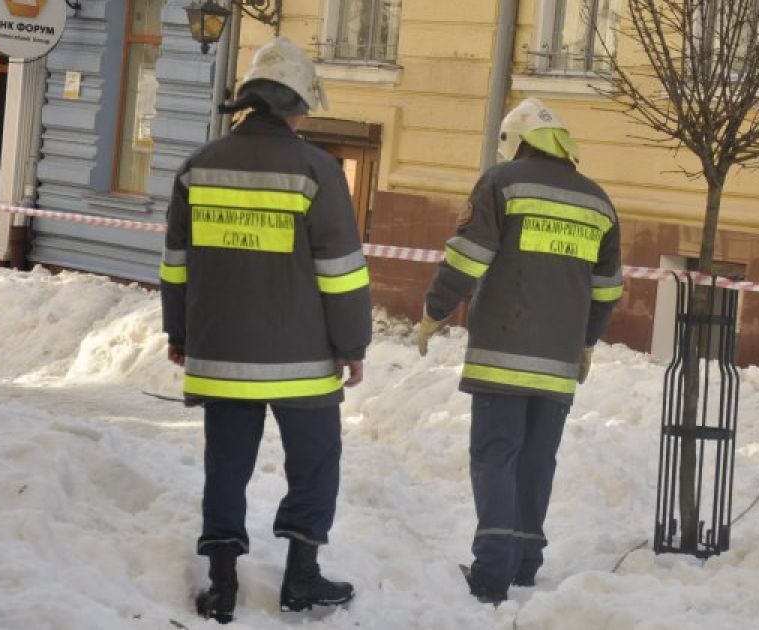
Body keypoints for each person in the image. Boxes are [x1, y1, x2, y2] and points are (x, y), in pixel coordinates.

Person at [159, 37, 371, 624]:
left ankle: (222, 582)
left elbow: (177, 263)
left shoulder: (197, 167)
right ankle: (301, 577)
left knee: (225, 465)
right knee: (315, 462)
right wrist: (351, 346)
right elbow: (341, 272)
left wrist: (179, 332)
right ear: (295, 106)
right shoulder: (318, 170)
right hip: (303, 363)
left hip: (221, 356)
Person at [416, 98, 623, 604]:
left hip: (502, 358)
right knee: (536, 462)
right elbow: (607, 288)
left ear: (516, 141)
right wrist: (587, 343)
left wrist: (435, 311)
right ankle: (526, 562)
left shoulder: (501, 183)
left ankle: (491, 573)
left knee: (495, 457)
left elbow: (468, 256)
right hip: (557, 364)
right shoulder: (597, 201)